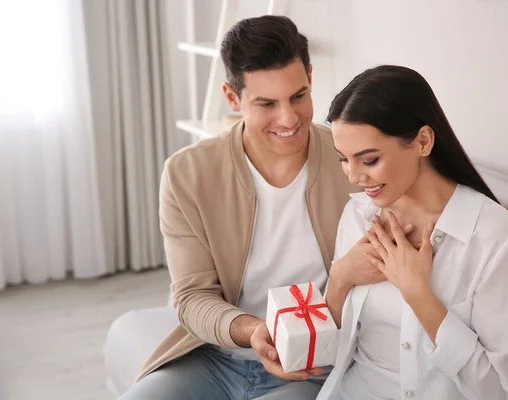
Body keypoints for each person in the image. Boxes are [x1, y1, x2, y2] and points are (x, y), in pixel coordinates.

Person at [119, 15, 361, 400]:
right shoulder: (187, 174)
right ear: (232, 98)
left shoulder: (351, 161)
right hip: (212, 360)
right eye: (266, 103)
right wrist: (253, 331)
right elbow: (192, 297)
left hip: (314, 368)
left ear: (311, 79)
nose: (288, 119)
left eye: (298, 96)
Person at [317, 65, 508, 400]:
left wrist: (418, 294)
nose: (353, 176)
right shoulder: (358, 216)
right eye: (343, 160)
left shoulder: (495, 237)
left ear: (422, 141)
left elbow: (497, 392)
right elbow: (324, 359)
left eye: (370, 160)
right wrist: (340, 277)